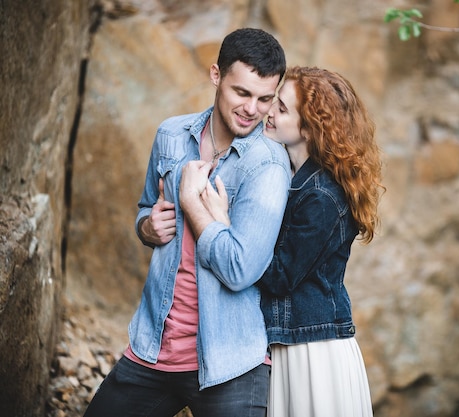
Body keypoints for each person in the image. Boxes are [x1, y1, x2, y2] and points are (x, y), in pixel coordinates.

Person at [83, 28, 291, 417]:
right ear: (216, 76)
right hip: (155, 345)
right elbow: (146, 209)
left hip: (230, 360)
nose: (253, 109)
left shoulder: (268, 165)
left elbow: (240, 268)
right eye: (241, 93)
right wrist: (147, 227)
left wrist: (191, 205)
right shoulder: (171, 135)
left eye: (265, 99)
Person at [202, 66, 384, 417]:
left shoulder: (322, 196)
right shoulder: (291, 175)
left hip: (312, 352)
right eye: (276, 102)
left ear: (310, 128)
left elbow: (280, 276)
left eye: (281, 109)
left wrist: (224, 224)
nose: (268, 112)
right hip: (291, 342)